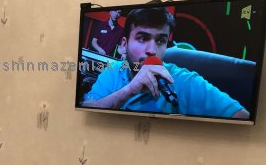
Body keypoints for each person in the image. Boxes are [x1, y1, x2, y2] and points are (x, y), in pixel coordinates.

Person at [82, 7, 250, 119]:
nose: (152, 50)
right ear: (124, 44)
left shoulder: (184, 80)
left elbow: (243, 117)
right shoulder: (115, 70)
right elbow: (88, 108)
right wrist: (130, 90)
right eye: (142, 38)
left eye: (161, 41)